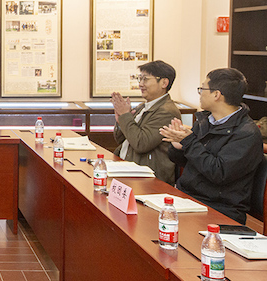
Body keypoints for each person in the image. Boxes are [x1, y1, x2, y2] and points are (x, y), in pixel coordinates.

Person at [161, 68, 263, 224]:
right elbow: (186, 161)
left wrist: (189, 142)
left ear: (216, 94)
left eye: (202, 89)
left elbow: (219, 173)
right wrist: (177, 146)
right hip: (188, 198)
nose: (200, 93)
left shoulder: (246, 133)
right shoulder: (205, 121)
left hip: (219, 208)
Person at [111, 60, 181, 184]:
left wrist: (125, 116)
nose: (141, 84)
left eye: (146, 79)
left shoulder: (167, 111)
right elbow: (121, 139)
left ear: (164, 83)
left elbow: (141, 143)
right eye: (140, 78)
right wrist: (121, 121)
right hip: (127, 168)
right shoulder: (143, 106)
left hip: (148, 178)